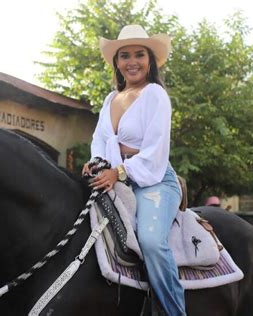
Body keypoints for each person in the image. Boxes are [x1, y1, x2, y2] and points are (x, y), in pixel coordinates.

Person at [82, 25, 186, 315]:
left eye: (139, 54)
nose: (132, 61)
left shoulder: (155, 95)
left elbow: (155, 150)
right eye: (125, 55)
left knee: (151, 242)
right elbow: (100, 139)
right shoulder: (110, 99)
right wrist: (96, 162)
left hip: (153, 180)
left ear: (150, 60)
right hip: (116, 179)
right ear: (116, 62)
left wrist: (119, 172)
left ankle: (174, 311)